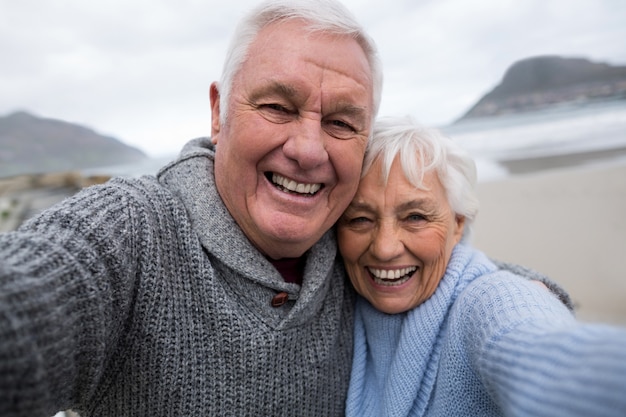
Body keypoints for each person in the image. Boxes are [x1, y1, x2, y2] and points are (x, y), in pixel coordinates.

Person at [0, 1, 382, 416]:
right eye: (277, 107)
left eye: (342, 123)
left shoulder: (367, 251)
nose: (308, 151)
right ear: (218, 114)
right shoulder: (132, 231)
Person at [337, 115, 626, 417]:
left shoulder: (486, 301)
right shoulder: (336, 302)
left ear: (458, 223)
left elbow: (543, 354)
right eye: (360, 219)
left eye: (415, 217)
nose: (384, 249)